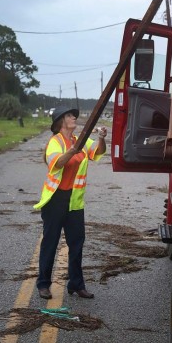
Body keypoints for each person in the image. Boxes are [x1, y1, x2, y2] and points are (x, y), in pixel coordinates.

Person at [34, 107, 107, 299]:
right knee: (50, 242)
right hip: (55, 200)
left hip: (74, 200)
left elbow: (98, 151)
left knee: (77, 244)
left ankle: (76, 284)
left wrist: (102, 138)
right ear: (60, 121)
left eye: (73, 115)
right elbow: (56, 163)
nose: (74, 117)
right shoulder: (55, 142)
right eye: (69, 115)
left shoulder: (79, 141)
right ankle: (43, 284)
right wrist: (73, 150)